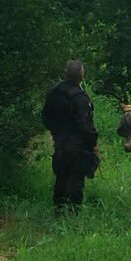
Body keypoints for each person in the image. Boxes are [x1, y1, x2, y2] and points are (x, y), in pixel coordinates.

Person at [41, 60, 100, 214]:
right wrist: (93, 142)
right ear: (82, 75)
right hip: (77, 145)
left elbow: (46, 117)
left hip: (59, 142)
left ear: (65, 73)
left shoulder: (54, 92)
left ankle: (58, 210)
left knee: (61, 176)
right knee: (76, 178)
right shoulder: (80, 98)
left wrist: (57, 133)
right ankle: (73, 213)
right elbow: (84, 124)